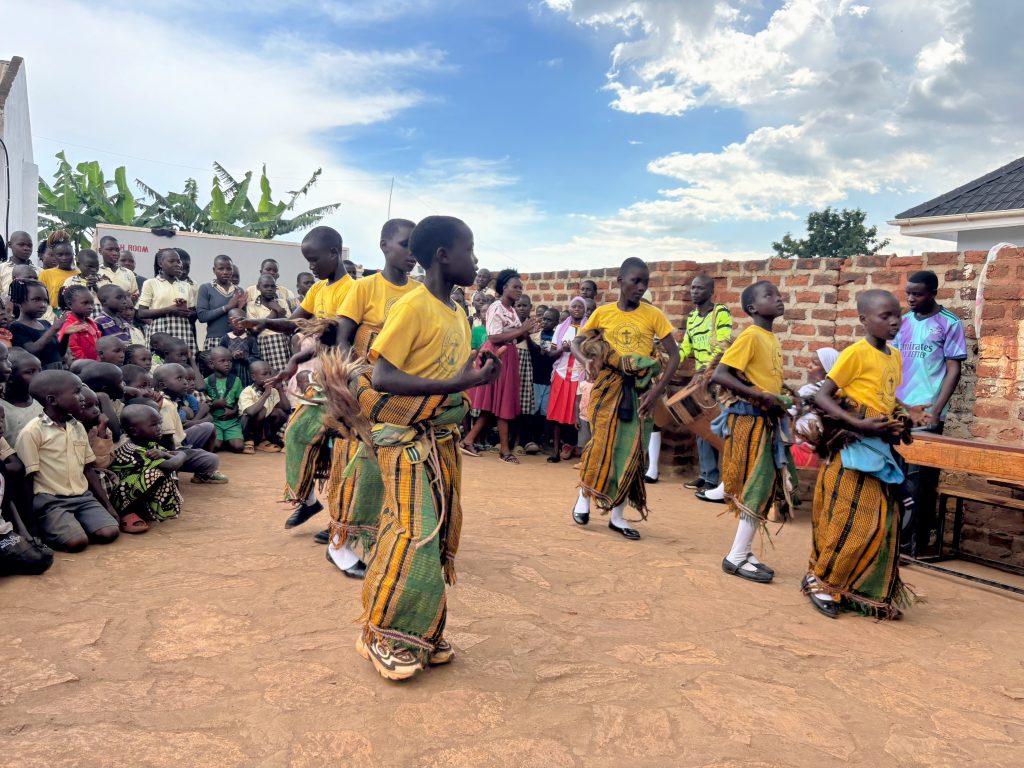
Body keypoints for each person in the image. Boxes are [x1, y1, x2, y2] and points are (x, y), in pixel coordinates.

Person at [343, 214, 498, 681]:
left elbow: (449, 370)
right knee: (416, 532)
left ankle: (420, 633)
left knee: (434, 534)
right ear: (443, 256)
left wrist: (475, 371)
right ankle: (382, 634)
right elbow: (384, 377)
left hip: (440, 439)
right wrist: (461, 383)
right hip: (403, 439)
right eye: (470, 250)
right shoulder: (413, 306)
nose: (476, 260)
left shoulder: (457, 312)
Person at [806, 290, 920, 619]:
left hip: (879, 450)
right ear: (864, 320)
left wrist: (905, 414)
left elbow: (886, 398)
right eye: (885, 316)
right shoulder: (855, 353)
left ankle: (861, 591)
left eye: (897, 315)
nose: (895, 321)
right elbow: (823, 396)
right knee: (848, 520)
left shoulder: (894, 356)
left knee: (881, 522)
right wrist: (857, 423)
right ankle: (821, 582)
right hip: (853, 450)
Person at [326, 218, 417, 575]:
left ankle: (373, 536)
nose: (412, 253)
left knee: (389, 462)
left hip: (400, 389)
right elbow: (343, 339)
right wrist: (349, 384)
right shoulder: (364, 288)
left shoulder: (419, 293)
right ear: (384, 245)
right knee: (357, 459)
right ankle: (339, 543)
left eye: (416, 246)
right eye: (405, 244)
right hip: (364, 387)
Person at [246, 226, 353, 531]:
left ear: (334, 253)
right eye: (308, 260)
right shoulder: (319, 290)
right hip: (320, 376)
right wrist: (264, 322)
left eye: (314, 259)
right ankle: (307, 501)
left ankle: (343, 520)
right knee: (297, 434)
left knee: (342, 450)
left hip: (345, 380)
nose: (311, 266)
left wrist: (297, 359)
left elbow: (337, 339)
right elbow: (294, 322)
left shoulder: (352, 290)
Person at [570, 258, 679, 540]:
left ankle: (617, 517)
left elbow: (674, 356)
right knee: (600, 444)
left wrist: (656, 391)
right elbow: (576, 342)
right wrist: (585, 360)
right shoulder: (603, 313)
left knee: (632, 451)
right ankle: (584, 497)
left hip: (641, 391)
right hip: (608, 387)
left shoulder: (653, 315)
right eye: (635, 281)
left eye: (645, 282)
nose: (641, 287)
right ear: (620, 281)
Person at [711, 280, 796, 583]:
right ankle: (735, 557)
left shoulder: (770, 338)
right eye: (769, 296)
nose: (778, 298)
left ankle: (744, 551)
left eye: (778, 294)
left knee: (762, 488)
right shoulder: (750, 336)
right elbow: (721, 374)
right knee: (756, 486)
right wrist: (759, 396)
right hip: (750, 423)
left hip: (766, 422)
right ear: (752, 308)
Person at [894, 270, 967, 556]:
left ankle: (913, 543)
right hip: (899, 411)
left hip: (926, 414)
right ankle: (892, 537)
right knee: (894, 475)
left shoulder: (950, 323)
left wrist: (936, 411)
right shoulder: (902, 322)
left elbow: (953, 370)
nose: (911, 298)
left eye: (918, 294)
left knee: (919, 482)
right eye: (908, 293)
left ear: (933, 293)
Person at [15, 370, 120, 552]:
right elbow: (27, 479)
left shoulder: (77, 426)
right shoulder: (32, 432)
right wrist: (32, 525)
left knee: (109, 532)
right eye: (76, 392)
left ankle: (73, 525)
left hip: (83, 497)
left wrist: (108, 506)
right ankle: (57, 527)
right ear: (52, 400)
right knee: (76, 543)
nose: (82, 397)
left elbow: (88, 469)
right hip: (51, 500)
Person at [460, 269, 539, 463]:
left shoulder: (511, 310)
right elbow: (494, 337)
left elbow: (514, 338)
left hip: (509, 355)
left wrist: (526, 332)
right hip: (496, 355)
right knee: (502, 403)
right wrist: (521, 329)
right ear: (504, 287)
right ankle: (505, 451)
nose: (519, 290)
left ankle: (468, 440)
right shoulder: (496, 307)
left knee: (496, 404)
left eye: (521, 287)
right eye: (515, 287)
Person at [676, 275, 733, 494]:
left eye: (699, 288)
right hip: (701, 380)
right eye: (692, 288)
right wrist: (669, 362)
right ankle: (706, 475)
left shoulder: (720, 312)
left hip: (717, 377)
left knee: (716, 427)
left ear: (711, 292)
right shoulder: (691, 317)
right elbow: (686, 348)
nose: (694, 291)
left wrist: (706, 371)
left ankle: (717, 480)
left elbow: (724, 345)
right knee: (701, 427)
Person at [109, 404, 186, 523]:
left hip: (133, 493)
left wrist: (165, 454)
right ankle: (127, 513)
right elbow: (171, 465)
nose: (159, 428)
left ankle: (144, 509)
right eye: (154, 425)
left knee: (163, 470)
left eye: (160, 423)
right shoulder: (131, 448)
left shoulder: (149, 443)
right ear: (134, 431)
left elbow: (171, 457)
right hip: (120, 497)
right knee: (155, 473)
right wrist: (183, 454)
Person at [151, 362, 226, 483]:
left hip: (179, 440)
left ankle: (202, 474)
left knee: (209, 427)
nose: (185, 382)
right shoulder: (165, 406)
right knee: (213, 460)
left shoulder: (172, 400)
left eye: (185, 378)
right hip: (170, 450)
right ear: (163, 385)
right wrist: (177, 460)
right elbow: (167, 442)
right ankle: (175, 475)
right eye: (179, 378)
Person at [547, 297, 588, 463]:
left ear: (585, 310)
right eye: (574, 306)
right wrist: (562, 349)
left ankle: (579, 448)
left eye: (580, 307)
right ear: (569, 309)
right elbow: (551, 353)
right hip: (561, 374)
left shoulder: (589, 329)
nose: (576, 309)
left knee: (579, 413)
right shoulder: (560, 328)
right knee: (557, 413)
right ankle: (555, 450)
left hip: (580, 375)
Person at [137, 248, 195, 355]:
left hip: (182, 329)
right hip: (160, 330)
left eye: (178, 261)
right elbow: (141, 313)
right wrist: (170, 309)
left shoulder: (186, 286)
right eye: (171, 261)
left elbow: (193, 314)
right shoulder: (150, 283)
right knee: (160, 361)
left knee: (181, 362)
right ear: (160, 264)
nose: (177, 264)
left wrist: (184, 310)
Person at [197, 255, 247, 352]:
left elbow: (243, 321)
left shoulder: (239, 291)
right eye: (221, 269)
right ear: (214, 270)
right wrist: (227, 307)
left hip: (236, 339)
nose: (225, 272)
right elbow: (202, 316)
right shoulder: (206, 288)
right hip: (214, 340)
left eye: (229, 269)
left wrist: (240, 309)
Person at [10, 280, 63, 370]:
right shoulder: (16, 327)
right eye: (36, 299)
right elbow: (31, 351)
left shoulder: (45, 323)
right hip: (41, 374)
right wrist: (53, 330)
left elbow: (60, 352)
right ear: (19, 301)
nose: (43, 305)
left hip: (57, 370)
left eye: (45, 300)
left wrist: (66, 334)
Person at [239, 360, 289, 454]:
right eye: (265, 374)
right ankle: (249, 441)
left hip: (264, 428)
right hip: (247, 429)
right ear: (253, 377)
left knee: (279, 412)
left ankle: (265, 439)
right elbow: (251, 412)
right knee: (262, 410)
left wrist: (280, 389)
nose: (269, 376)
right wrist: (265, 394)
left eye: (270, 373)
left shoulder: (273, 391)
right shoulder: (247, 391)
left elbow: (286, 409)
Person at [246, 275, 292, 374]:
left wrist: (279, 310)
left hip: (283, 341)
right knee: (269, 374)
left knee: (286, 374)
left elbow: (289, 324)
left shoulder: (282, 302)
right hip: (264, 343)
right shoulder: (251, 305)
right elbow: (255, 330)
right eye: (266, 286)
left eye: (272, 286)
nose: (270, 289)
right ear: (258, 287)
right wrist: (276, 312)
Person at [203, 347, 245, 452]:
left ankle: (226, 438)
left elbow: (240, 401)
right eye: (222, 361)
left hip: (231, 422)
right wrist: (214, 404)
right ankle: (222, 439)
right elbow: (203, 404)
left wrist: (234, 411)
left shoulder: (236, 380)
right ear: (212, 363)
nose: (227, 364)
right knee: (215, 446)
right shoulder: (207, 381)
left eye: (229, 361)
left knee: (239, 447)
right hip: (215, 421)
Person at [1, 349, 44, 445]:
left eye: (40, 371)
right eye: (30, 372)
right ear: (10, 377)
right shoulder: (3, 408)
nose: (39, 377)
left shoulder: (43, 402)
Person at [58, 285, 102, 362]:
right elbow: (75, 353)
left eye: (92, 303)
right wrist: (92, 365)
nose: (90, 307)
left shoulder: (91, 322)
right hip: (84, 367)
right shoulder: (69, 326)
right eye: (85, 303)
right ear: (70, 304)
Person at [61, 249, 111, 316]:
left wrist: (96, 288)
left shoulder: (105, 280)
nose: (94, 270)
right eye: (89, 266)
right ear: (78, 265)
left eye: (96, 266)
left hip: (102, 316)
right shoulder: (71, 282)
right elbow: (66, 303)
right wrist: (86, 290)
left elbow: (110, 300)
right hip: (79, 317)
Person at [38, 231, 79, 309]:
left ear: (73, 254)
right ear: (55, 255)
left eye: (68, 254)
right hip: (52, 314)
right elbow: (40, 299)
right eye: (60, 255)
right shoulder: (45, 274)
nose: (64, 258)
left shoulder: (79, 273)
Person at [221, 309, 261, 386]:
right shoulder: (225, 339)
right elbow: (221, 357)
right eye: (235, 320)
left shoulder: (250, 339)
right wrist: (231, 356)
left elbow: (256, 357)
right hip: (231, 372)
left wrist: (245, 358)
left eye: (242, 319)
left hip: (247, 373)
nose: (240, 322)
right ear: (229, 323)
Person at [0, 231, 33, 299]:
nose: (26, 248)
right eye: (21, 245)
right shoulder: (1, 269)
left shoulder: (40, 271)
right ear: (9, 245)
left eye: (30, 245)